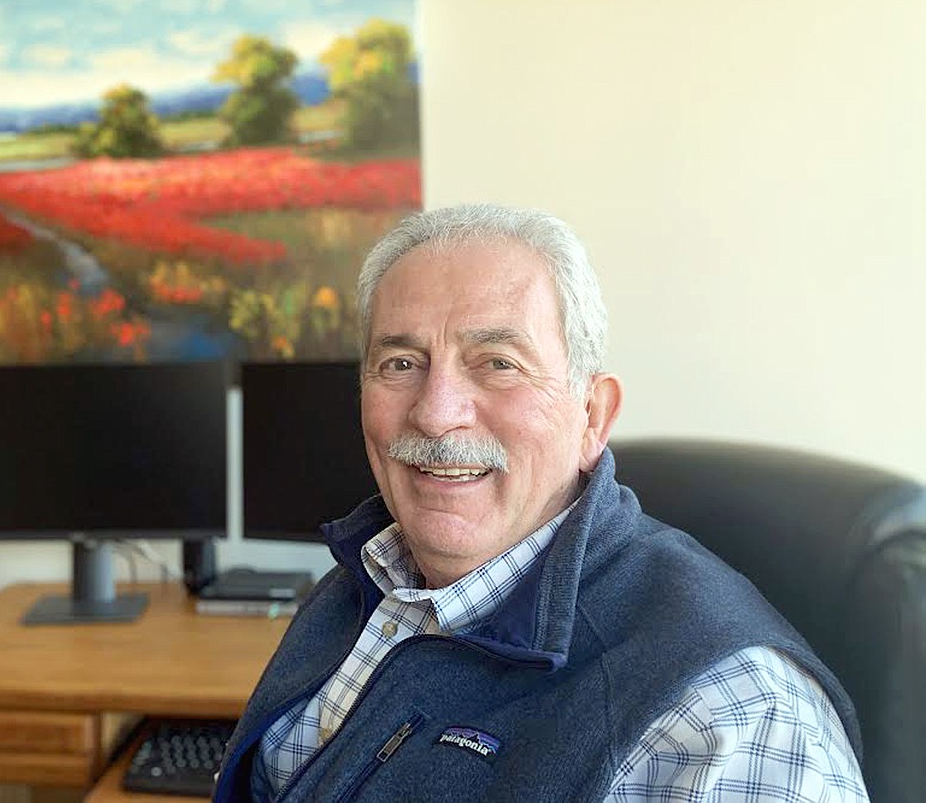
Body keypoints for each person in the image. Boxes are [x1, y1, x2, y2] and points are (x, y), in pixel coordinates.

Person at [212, 204, 868, 802]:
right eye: (402, 364)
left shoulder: (729, 718)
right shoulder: (368, 578)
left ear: (591, 415)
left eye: (497, 363)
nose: (437, 415)